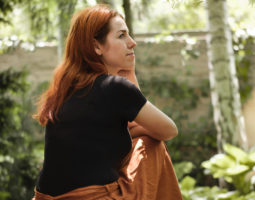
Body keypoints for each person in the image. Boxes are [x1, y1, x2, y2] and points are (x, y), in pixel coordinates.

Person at [32, 3, 183, 200]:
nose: (132, 42)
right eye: (121, 36)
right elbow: (169, 130)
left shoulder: (66, 89)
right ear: (96, 46)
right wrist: (129, 73)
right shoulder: (113, 87)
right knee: (151, 144)